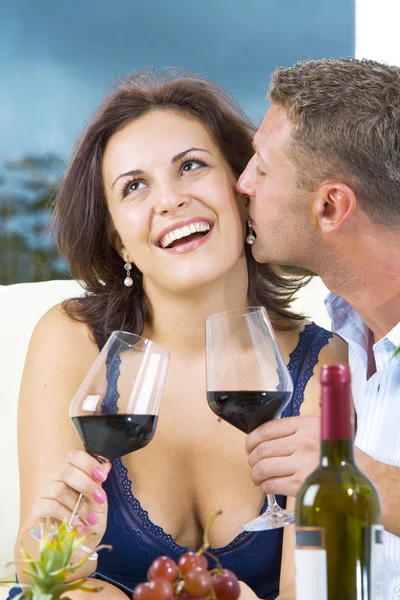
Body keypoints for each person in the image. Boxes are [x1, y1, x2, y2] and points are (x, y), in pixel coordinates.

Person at [10, 70, 347, 600]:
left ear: (242, 190)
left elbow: (314, 591)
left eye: (191, 166)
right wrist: (55, 557)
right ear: (118, 238)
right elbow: (42, 576)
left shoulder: (326, 364)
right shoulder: (71, 342)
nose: (169, 201)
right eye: (134, 186)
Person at [237, 57, 400, 599]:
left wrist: (357, 474)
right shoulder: (346, 340)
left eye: (261, 167)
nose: (243, 183)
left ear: (330, 206)